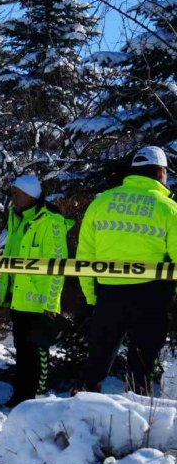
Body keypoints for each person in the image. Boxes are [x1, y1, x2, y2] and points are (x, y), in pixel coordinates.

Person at [79, 146, 177, 395]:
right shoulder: (168, 208)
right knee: (142, 367)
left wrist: (92, 297)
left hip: (108, 293)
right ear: (160, 172)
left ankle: (81, 416)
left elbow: (84, 257)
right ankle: (138, 422)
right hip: (151, 296)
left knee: (97, 362)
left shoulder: (101, 202)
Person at [0, 174, 73, 408]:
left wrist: (51, 303)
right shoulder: (17, 218)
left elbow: (58, 265)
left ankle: (36, 401)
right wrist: (5, 290)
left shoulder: (51, 222)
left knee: (37, 352)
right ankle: (20, 398)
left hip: (40, 303)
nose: (13, 199)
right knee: (22, 352)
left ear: (30, 195)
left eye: (17, 194)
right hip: (19, 298)